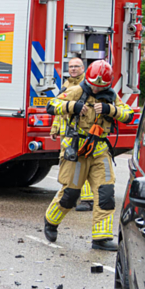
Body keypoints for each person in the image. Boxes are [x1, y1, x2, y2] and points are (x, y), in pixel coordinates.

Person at [43, 60, 134, 251]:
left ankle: (101, 238)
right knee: (71, 193)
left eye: (100, 87)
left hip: (100, 149)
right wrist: (73, 107)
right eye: (93, 85)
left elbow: (128, 115)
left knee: (106, 193)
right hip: (77, 149)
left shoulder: (111, 96)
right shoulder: (77, 90)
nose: (96, 89)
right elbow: (52, 105)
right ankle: (51, 221)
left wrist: (111, 110)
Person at [50, 57, 95, 212]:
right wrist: (55, 128)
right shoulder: (67, 84)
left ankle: (88, 200)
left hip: (82, 133)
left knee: (83, 163)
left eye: (77, 66)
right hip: (67, 134)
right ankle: (72, 195)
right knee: (69, 164)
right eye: (71, 66)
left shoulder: (88, 85)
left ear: (83, 68)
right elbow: (59, 110)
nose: (73, 69)